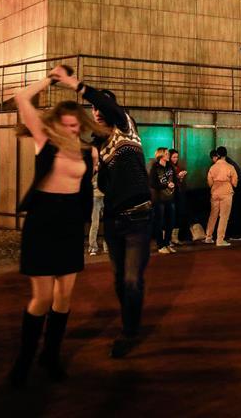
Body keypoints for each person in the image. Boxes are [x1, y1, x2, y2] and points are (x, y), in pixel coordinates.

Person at [52, 67, 154, 360]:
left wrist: (75, 84)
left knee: (132, 280)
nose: (96, 110)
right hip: (113, 220)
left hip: (138, 218)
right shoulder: (96, 145)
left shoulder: (126, 127)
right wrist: (92, 164)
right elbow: (98, 185)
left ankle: (129, 331)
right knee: (120, 280)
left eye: (100, 106)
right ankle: (129, 321)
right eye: (93, 107)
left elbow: (106, 103)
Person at [9, 69, 101, 385]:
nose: (72, 131)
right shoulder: (44, 140)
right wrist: (51, 79)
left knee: (64, 297)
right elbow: (21, 98)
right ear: (56, 124)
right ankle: (24, 361)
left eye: (76, 126)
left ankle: (51, 357)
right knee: (42, 298)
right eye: (67, 126)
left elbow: (88, 188)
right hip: (43, 220)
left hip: (70, 222)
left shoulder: (90, 152)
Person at [206, 146, 238, 247]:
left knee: (213, 215)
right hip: (226, 192)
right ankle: (220, 239)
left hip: (215, 191)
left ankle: (208, 237)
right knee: (224, 217)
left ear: (218, 155)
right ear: (226, 154)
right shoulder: (230, 167)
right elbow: (235, 182)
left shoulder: (213, 167)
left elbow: (209, 182)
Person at [149, 148, 177, 254]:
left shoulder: (170, 166)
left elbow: (173, 179)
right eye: (166, 153)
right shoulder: (155, 168)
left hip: (170, 197)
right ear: (160, 155)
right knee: (159, 222)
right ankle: (160, 245)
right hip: (159, 199)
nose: (168, 155)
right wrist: (166, 185)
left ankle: (167, 243)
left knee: (170, 222)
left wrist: (178, 179)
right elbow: (152, 183)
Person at [168, 149, 189, 244]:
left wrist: (180, 177)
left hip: (178, 193)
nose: (175, 159)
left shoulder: (177, 167)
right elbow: (168, 181)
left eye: (177, 157)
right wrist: (178, 177)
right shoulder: (167, 167)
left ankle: (174, 237)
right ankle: (168, 239)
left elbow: (177, 182)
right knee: (170, 216)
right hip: (170, 195)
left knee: (178, 215)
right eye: (173, 157)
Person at [87, 155, 105, 256]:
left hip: (104, 196)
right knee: (95, 223)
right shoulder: (92, 169)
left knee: (106, 223)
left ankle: (106, 247)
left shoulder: (104, 168)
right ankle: (93, 247)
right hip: (95, 197)